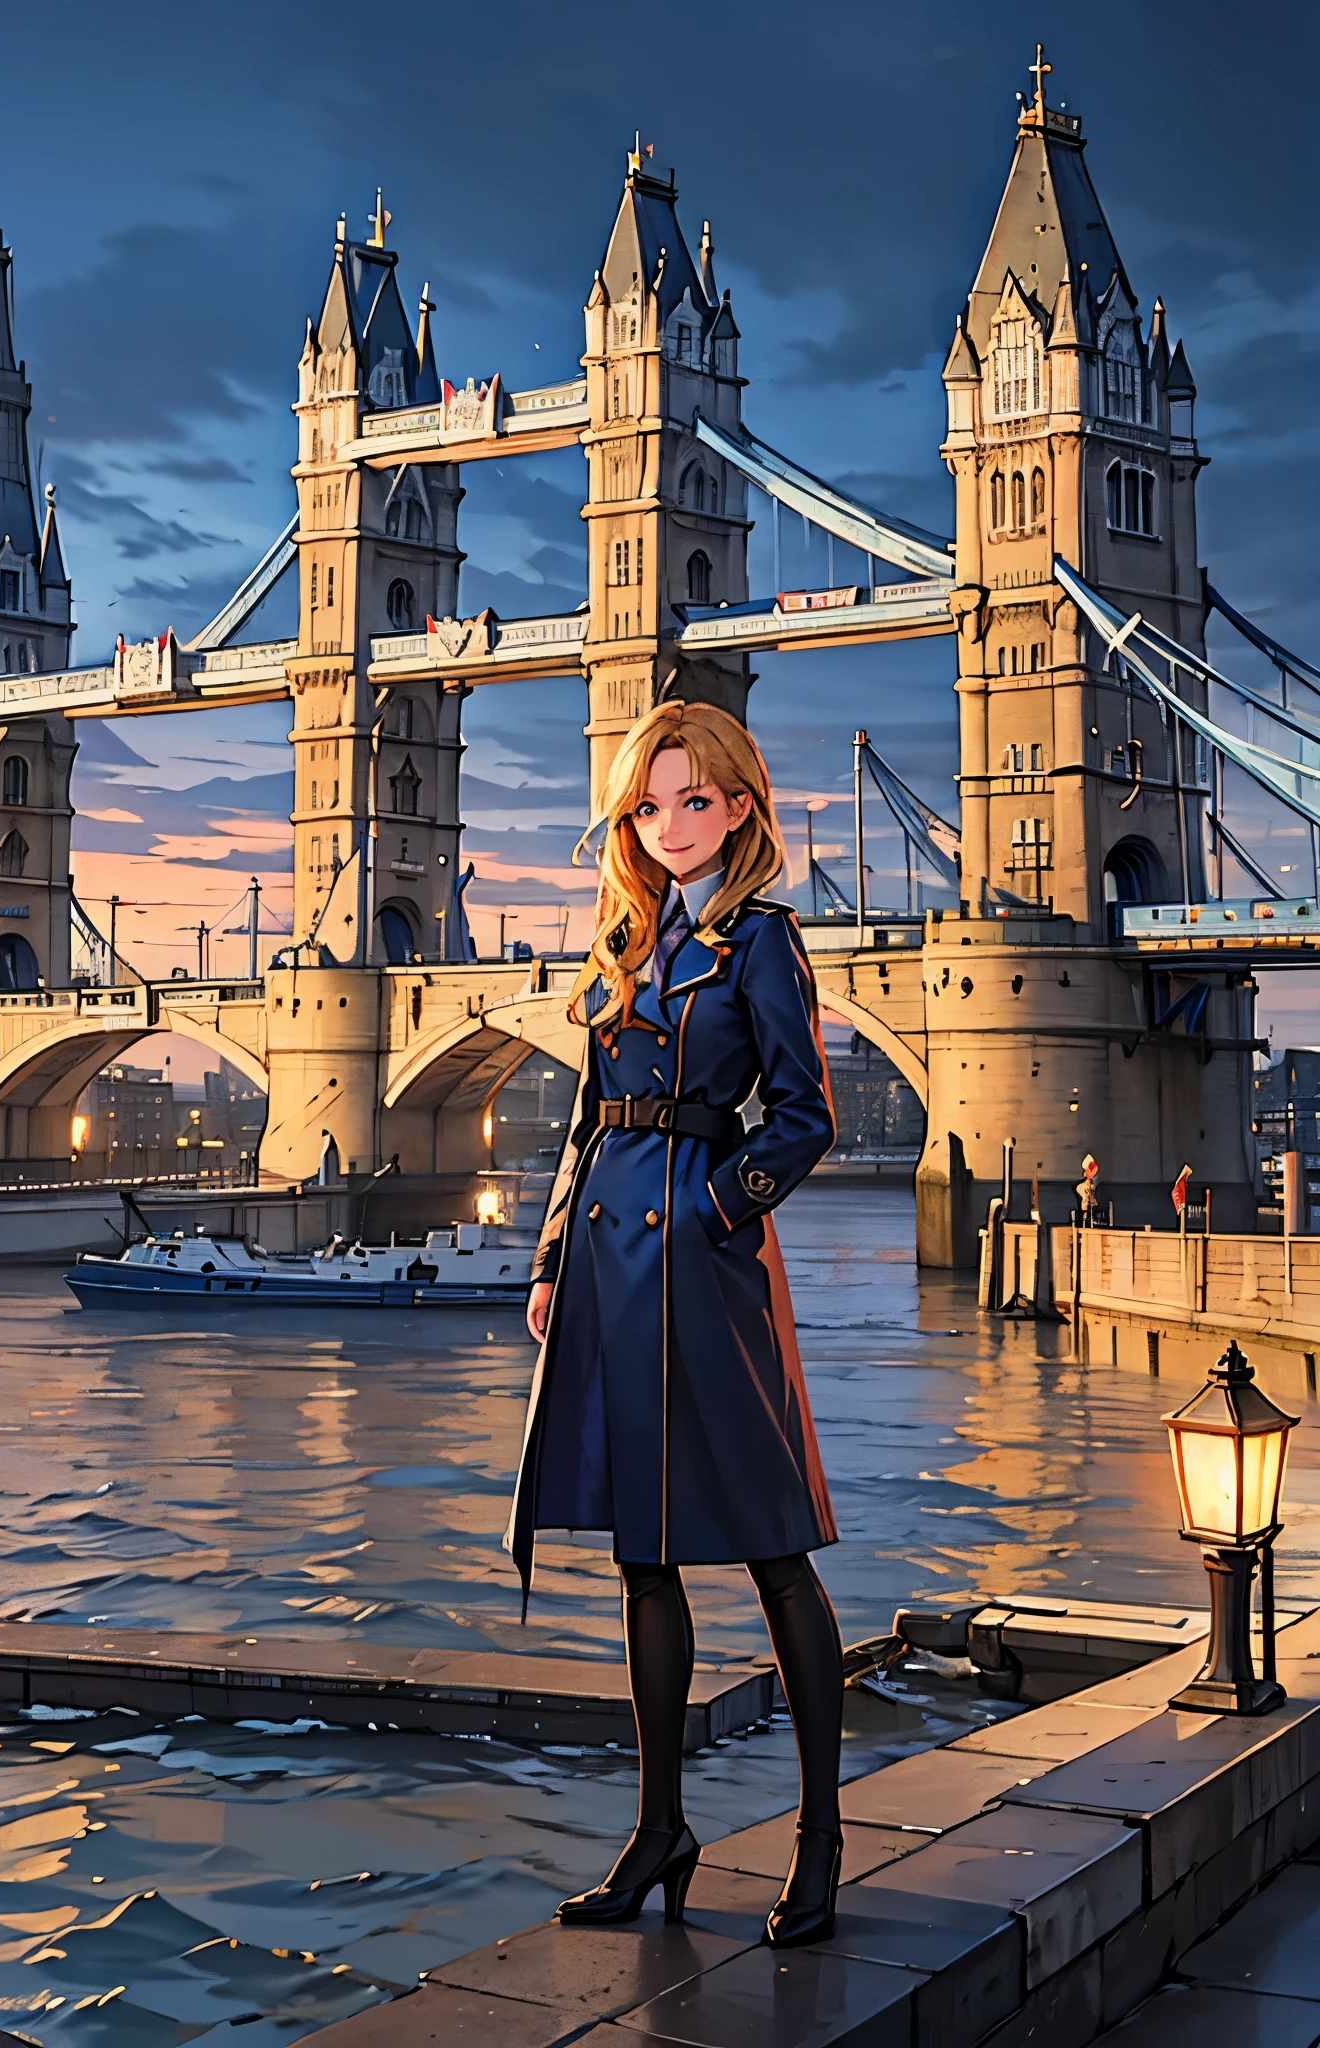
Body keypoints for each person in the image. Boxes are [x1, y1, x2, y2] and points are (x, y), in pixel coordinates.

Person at [508, 699, 844, 1946]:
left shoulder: (760, 942)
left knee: (770, 1546)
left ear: (742, 805)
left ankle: (817, 1839)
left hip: (702, 1263)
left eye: (692, 800)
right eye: (647, 805)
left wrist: (715, 1208)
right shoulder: (618, 941)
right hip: (603, 1259)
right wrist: (548, 1259)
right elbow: (586, 1117)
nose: (667, 825)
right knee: (639, 1558)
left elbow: (804, 1117)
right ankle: (660, 1832)